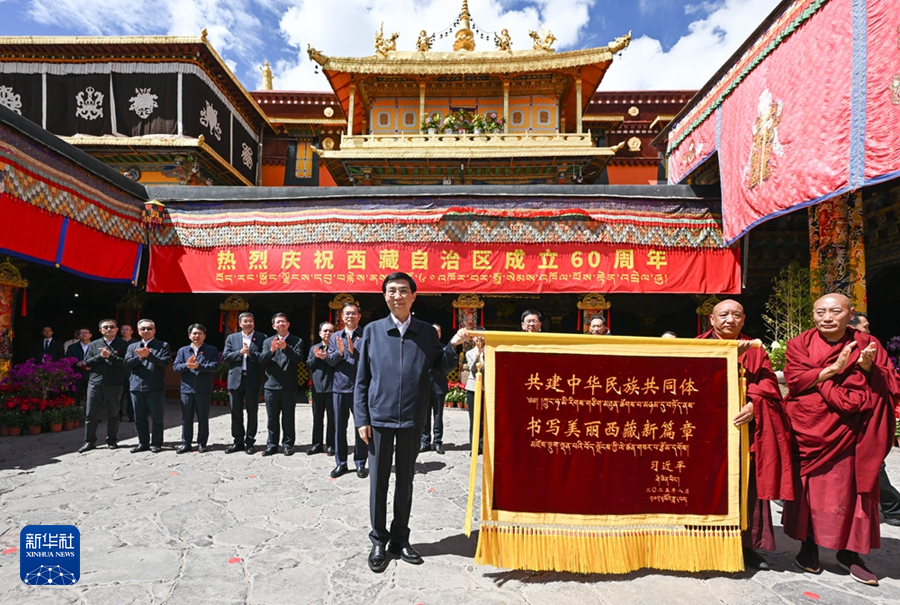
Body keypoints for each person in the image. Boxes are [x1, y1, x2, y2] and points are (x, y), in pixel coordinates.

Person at [782, 293, 900, 586]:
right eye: (820, 312)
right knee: (809, 492)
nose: (827, 317)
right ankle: (808, 546)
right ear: (813, 314)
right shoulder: (799, 344)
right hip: (810, 427)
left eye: (835, 311)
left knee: (851, 492)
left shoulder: (867, 344)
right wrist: (834, 369)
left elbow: (891, 384)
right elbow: (795, 381)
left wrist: (869, 368)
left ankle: (850, 553)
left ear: (850, 314)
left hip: (851, 430)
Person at [354, 272, 467, 573]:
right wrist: (362, 418)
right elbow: (362, 379)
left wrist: (453, 345)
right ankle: (379, 540)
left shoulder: (426, 332)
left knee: (405, 482)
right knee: (378, 483)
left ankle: (400, 539)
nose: (398, 296)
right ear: (385, 296)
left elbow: (441, 366)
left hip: (412, 418)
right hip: (379, 419)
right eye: (392, 291)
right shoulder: (373, 331)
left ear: (414, 296)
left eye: (404, 290)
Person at [699, 299, 794, 570]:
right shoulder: (698, 345)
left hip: (742, 431)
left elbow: (769, 385)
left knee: (746, 485)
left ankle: (746, 545)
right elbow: (690, 382)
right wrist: (725, 359)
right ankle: (702, 543)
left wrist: (754, 404)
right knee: (706, 485)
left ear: (743, 319)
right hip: (707, 432)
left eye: (736, 315)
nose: (730, 319)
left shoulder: (755, 348)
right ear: (712, 320)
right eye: (724, 314)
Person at [849, 313, 900, 527]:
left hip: (868, 411)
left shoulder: (871, 345)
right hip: (843, 413)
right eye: (866, 326)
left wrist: (869, 367)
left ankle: (893, 508)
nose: (868, 331)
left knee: (872, 461)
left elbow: (890, 377)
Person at [327, 303, 368, 478]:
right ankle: (341, 463)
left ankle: (360, 462)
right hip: (340, 388)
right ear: (342, 317)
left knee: (361, 426)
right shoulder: (335, 337)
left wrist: (353, 352)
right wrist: (340, 352)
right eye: (347, 314)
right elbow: (330, 361)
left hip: (360, 389)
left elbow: (371, 360)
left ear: (359, 316)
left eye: (353, 313)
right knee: (339, 427)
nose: (350, 316)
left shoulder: (366, 335)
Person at [77, 319, 128, 453]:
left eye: (112, 327)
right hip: (95, 383)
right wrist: (100, 356)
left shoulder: (123, 344)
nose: (109, 329)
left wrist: (110, 357)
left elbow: (125, 363)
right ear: (100, 330)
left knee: (114, 414)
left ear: (116, 329)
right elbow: (87, 362)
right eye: (106, 327)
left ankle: (112, 440)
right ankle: (89, 441)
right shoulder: (94, 344)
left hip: (114, 384)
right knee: (90, 414)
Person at [258, 313, 304, 456]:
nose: (280, 324)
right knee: (272, 418)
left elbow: (298, 359)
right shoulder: (268, 341)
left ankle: (288, 444)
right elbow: (262, 360)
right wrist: (272, 350)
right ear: (273, 326)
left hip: (289, 386)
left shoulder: (297, 341)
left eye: (283, 321)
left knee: (288, 417)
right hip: (271, 385)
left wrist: (285, 348)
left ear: (288, 324)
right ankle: (272, 445)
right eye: (277, 322)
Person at [222, 312, 266, 455]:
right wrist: (240, 352)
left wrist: (251, 353)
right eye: (245, 321)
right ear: (240, 323)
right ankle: (238, 441)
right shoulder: (232, 338)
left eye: (250, 321)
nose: (248, 323)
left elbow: (264, 358)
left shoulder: (261, 337)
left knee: (252, 412)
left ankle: (250, 442)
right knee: (235, 411)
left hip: (252, 379)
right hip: (236, 379)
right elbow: (226, 357)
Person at [124, 319, 171, 453]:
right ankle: (143, 443)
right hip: (136, 386)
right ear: (138, 331)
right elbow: (126, 364)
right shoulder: (133, 347)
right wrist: (140, 357)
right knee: (139, 418)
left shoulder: (162, 345)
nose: (146, 331)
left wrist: (148, 355)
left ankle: (156, 443)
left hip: (154, 386)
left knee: (157, 418)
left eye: (149, 328)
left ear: (154, 331)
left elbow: (164, 363)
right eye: (143, 329)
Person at [172, 324, 219, 454]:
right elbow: (176, 367)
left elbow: (214, 366)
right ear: (189, 335)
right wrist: (187, 365)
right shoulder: (183, 350)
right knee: (186, 418)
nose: (197, 336)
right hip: (187, 389)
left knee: (203, 417)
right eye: (194, 333)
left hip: (203, 389)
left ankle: (202, 443)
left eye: (199, 333)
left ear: (204, 336)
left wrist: (199, 366)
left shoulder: (211, 350)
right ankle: (186, 443)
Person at [306, 321, 336, 456]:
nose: (328, 333)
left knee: (332, 419)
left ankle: (331, 445)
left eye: (330, 331)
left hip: (332, 387)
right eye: (325, 331)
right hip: (317, 388)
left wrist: (326, 358)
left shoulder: (337, 347)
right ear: (319, 333)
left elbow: (337, 363)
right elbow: (309, 365)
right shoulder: (315, 348)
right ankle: (316, 445)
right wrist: (317, 357)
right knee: (317, 418)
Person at [421, 323, 449, 455]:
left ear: (440, 334)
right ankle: (425, 442)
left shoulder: (444, 349)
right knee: (425, 416)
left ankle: (438, 442)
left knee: (438, 417)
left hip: (439, 386)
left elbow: (447, 366)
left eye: (437, 331)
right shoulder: (422, 346)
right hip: (425, 386)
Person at [465, 327, 486, 455]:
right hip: (473, 387)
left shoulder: (490, 351)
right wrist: (479, 354)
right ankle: (474, 446)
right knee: (474, 418)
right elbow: (473, 369)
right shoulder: (469, 353)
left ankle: (484, 445)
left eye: (482, 336)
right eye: (477, 337)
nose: (480, 339)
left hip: (486, 387)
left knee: (485, 419)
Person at [65, 327, 92, 405]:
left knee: (91, 397)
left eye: (86, 333)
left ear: (90, 335)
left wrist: (92, 365)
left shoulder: (96, 346)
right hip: (77, 374)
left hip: (91, 375)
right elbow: (67, 360)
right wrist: (76, 363)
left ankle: (90, 412)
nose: (83, 335)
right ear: (78, 335)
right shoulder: (72, 347)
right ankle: (75, 411)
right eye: (81, 333)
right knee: (75, 396)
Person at [117, 324, 139, 422]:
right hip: (119, 371)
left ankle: (131, 415)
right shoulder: (117, 342)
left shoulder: (136, 343)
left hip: (131, 371)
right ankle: (118, 415)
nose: (125, 331)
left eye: (127, 329)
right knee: (118, 395)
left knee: (131, 394)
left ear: (132, 331)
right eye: (123, 329)